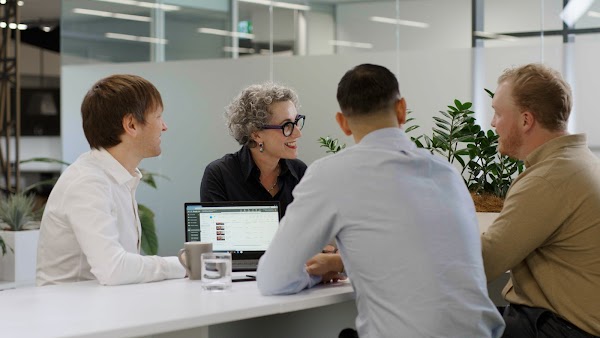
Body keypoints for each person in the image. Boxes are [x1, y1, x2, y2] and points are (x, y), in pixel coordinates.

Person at [256, 63, 505, 337]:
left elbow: (273, 279)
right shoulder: (446, 173)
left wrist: (315, 275)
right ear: (402, 110)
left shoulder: (332, 173)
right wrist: (342, 262)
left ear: (343, 123)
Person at [482, 63, 600, 337]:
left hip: (562, 328)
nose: (492, 123)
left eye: (498, 113)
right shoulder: (580, 160)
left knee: (442, 324)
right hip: (572, 320)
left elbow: (483, 263)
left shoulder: (548, 178)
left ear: (526, 120)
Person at [36, 74, 186, 286]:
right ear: (131, 124)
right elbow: (114, 269)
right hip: (72, 314)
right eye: (159, 116)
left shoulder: (116, 177)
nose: (164, 126)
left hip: (101, 309)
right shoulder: (87, 182)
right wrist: (183, 264)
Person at [200, 82, 307, 218]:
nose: (298, 133)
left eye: (296, 122)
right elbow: (217, 236)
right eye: (286, 125)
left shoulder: (300, 172)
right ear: (256, 134)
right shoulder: (220, 175)